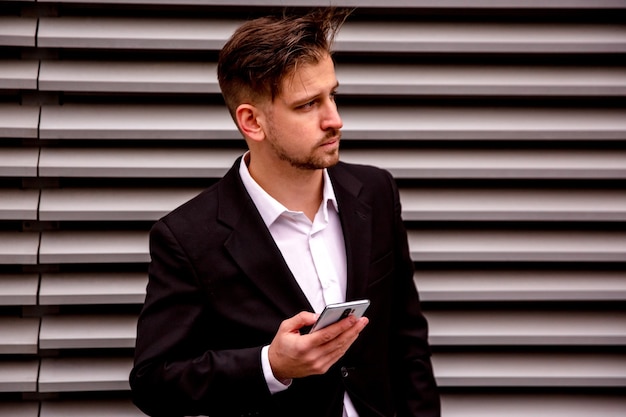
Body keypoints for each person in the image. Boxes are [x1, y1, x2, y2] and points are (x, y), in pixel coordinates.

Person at [130, 8, 440, 417]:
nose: (335, 119)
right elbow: (155, 382)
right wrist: (270, 366)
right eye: (309, 104)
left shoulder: (376, 192)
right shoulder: (188, 237)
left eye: (332, 94)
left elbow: (407, 340)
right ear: (252, 121)